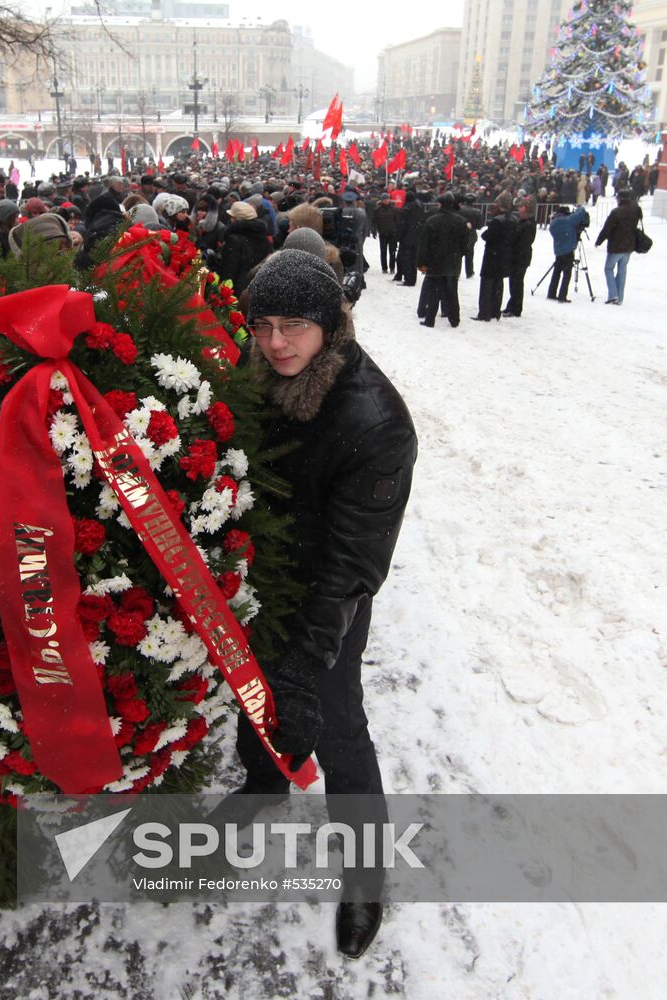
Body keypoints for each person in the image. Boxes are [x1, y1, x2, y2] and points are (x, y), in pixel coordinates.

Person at [233, 248, 417, 960]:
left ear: (332, 325)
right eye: (264, 325)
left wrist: (308, 661)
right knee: (251, 691)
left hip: (327, 596)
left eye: (295, 327)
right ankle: (261, 777)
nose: (276, 342)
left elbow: (354, 561)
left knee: (335, 725)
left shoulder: (375, 420)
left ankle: (367, 874)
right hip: (254, 580)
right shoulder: (254, 374)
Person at [415, 192, 469, 328]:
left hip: (435, 261)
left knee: (434, 292)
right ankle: (454, 319)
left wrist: (421, 262)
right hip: (453, 261)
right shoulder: (461, 221)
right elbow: (465, 244)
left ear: (440, 204)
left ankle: (430, 319)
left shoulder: (432, 221)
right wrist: (459, 255)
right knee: (452, 292)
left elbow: (424, 244)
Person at [474, 192, 516, 321]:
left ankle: (485, 312)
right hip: (505, 255)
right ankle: (495, 311)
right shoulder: (514, 219)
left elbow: (487, 236)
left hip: (493, 256)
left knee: (487, 285)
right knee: (498, 284)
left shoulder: (498, 221)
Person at [596, 188, 643, 305]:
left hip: (616, 245)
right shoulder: (636, 210)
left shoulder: (616, 212)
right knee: (622, 270)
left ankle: (613, 294)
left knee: (608, 269)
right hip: (629, 245)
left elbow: (607, 228)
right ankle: (620, 297)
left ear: (620, 199)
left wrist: (599, 241)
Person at [213, 200, 271, 294]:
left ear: (236, 219)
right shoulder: (262, 237)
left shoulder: (234, 239)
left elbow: (229, 270)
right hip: (252, 288)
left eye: (232, 217)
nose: (230, 220)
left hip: (234, 289)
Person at [503, 194, 538, 317]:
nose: (519, 209)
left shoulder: (527, 224)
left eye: (522, 206)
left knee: (517, 283)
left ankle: (516, 308)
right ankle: (511, 305)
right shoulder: (524, 221)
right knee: (515, 283)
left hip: (520, 257)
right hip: (518, 256)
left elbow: (523, 243)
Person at [546, 204, 589, 302]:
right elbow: (581, 212)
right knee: (567, 274)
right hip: (568, 250)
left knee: (556, 272)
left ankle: (551, 293)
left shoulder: (553, 223)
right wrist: (579, 207)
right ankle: (562, 296)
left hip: (558, 250)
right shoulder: (568, 221)